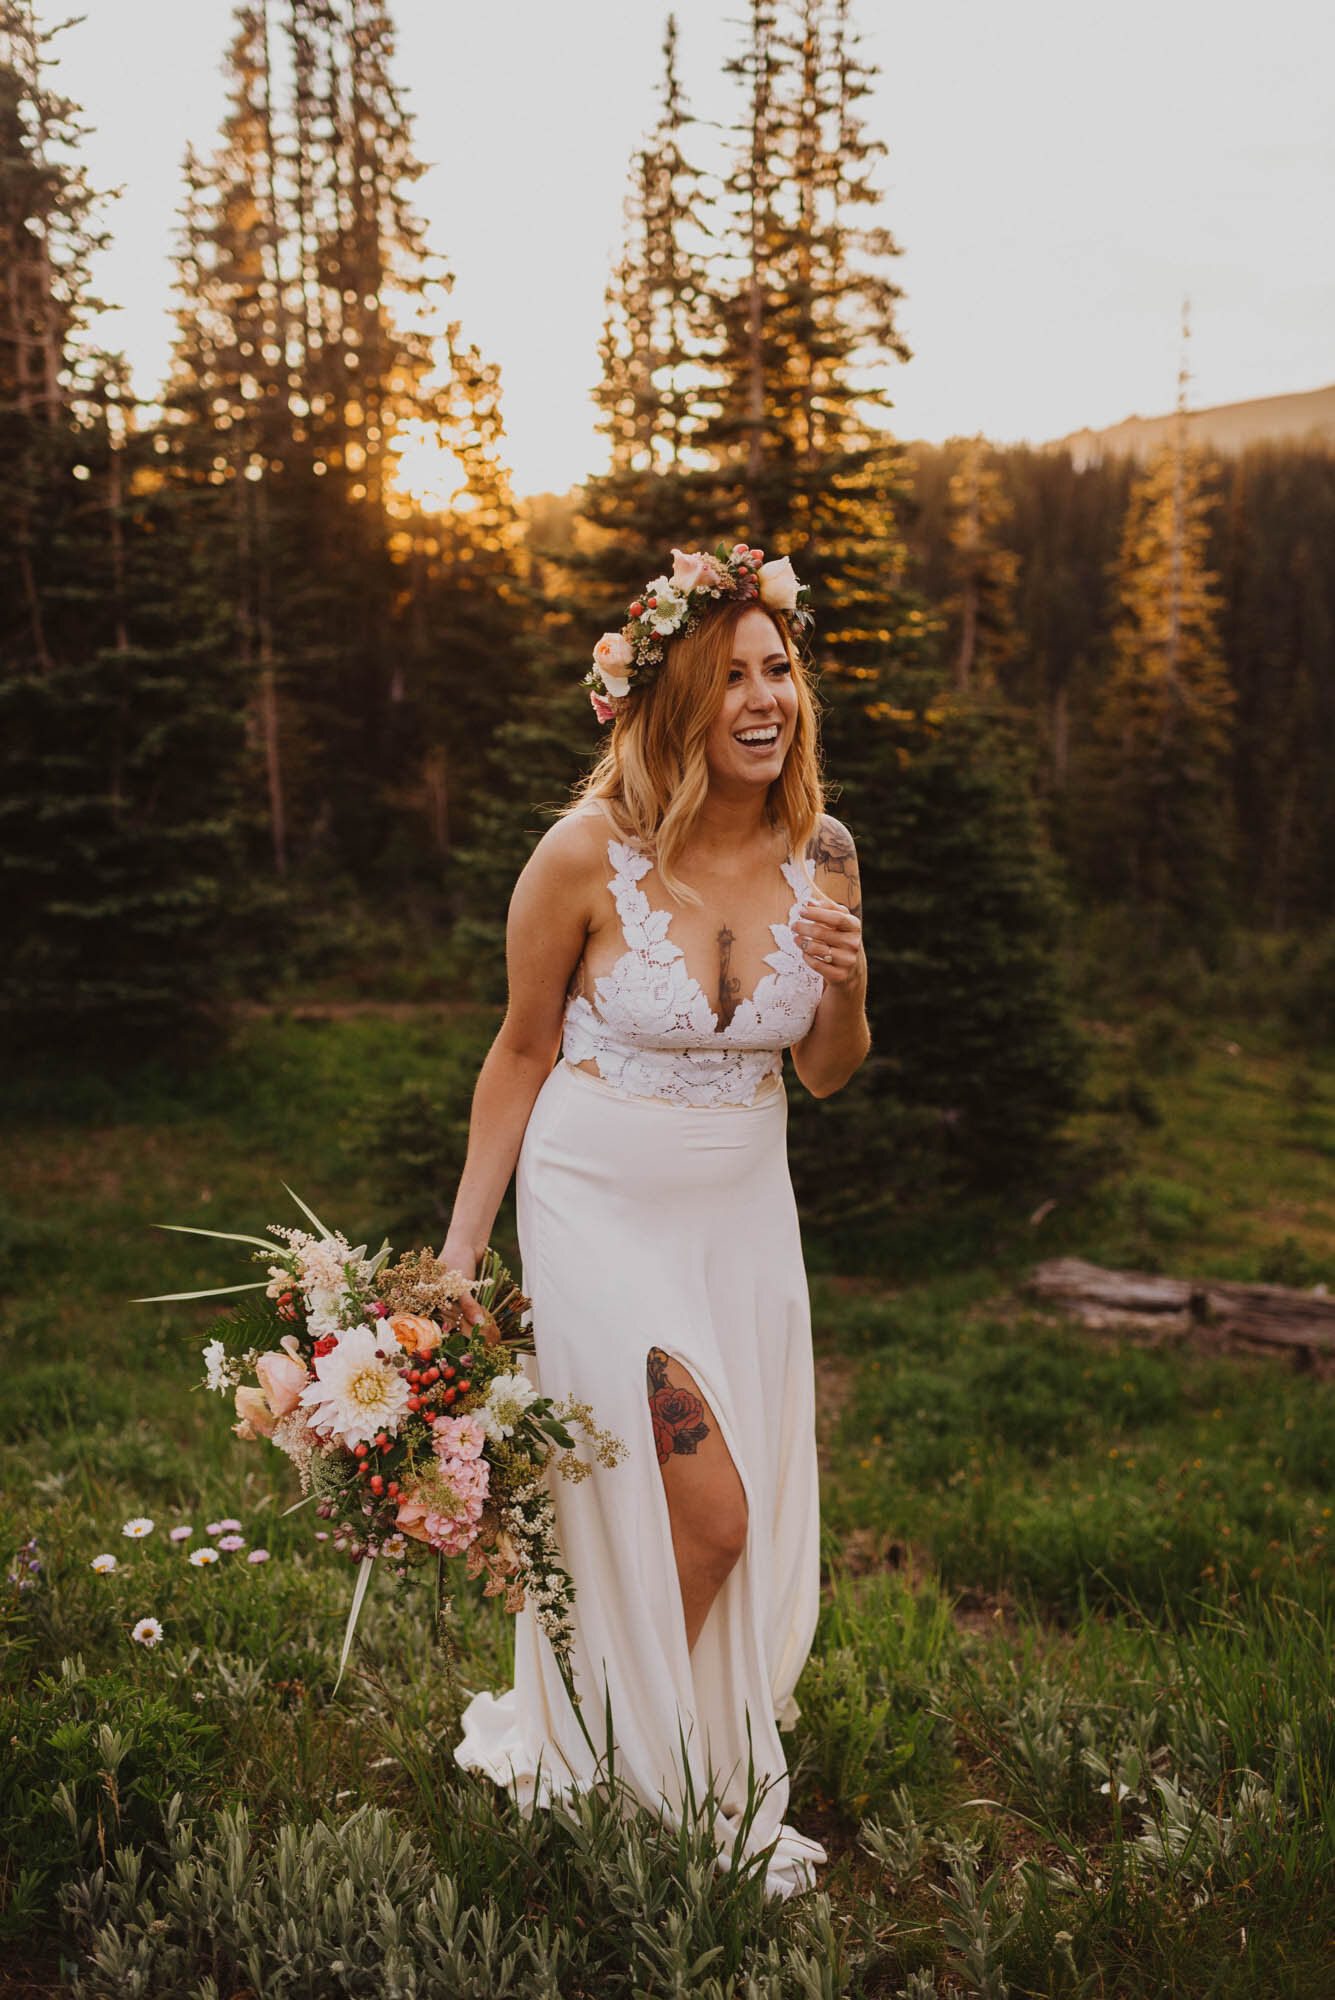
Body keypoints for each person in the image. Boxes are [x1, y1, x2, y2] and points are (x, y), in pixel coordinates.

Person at [442, 544, 869, 1898]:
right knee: (716, 1513)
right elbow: (517, 1052)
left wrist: (850, 989)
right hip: (596, 1207)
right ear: (676, 697)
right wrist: (460, 1253)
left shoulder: (828, 856)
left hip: (742, 1215)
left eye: (779, 670)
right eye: (732, 675)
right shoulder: (584, 857)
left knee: (704, 1526)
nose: (765, 699)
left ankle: (612, 1750)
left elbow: (826, 1069)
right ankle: (640, 1761)